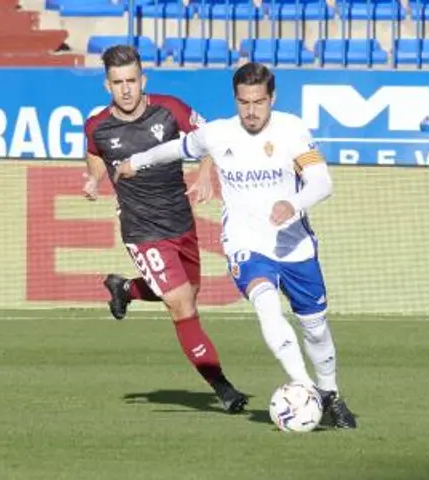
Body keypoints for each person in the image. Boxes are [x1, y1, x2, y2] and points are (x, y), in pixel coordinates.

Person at [114, 62, 357, 429]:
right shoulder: (218, 134)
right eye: (244, 102)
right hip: (246, 243)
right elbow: (175, 148)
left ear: (271, 98)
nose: (252, 111)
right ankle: (306, 390)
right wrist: (137, 161)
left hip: (294, 245)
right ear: (236, 100)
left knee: (316, 328)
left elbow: (322, 183)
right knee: (267, 307)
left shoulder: (292, 130)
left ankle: (330, 393)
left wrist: (293, 204)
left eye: (259, 102)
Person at [82, 45, 248, 414]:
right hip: (142, 230)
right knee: (182, 305)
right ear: (107, 86)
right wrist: (93, 179)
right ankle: (224, 389)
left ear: (144, 80)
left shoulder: (170, 109)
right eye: (117, 82)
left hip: (181, 221)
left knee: (186, 293)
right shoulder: (98, 126)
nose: (125, 89)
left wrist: (206, 174)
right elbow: (94, 152)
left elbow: (213, 140)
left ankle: (124, 288)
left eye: (131, 81)